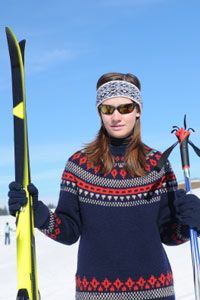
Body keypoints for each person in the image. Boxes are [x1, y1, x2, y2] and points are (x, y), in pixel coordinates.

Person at [8, 72, 200, 300]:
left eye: (125, 108)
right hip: (95, 294)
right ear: (100, 112)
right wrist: (37, 213)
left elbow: (169, 234)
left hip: (155, 292)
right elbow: (68, 231)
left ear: (138, 110)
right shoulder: (78, 165)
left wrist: (193, 221)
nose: (116, 116)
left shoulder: (158, 166)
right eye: (108, 109)